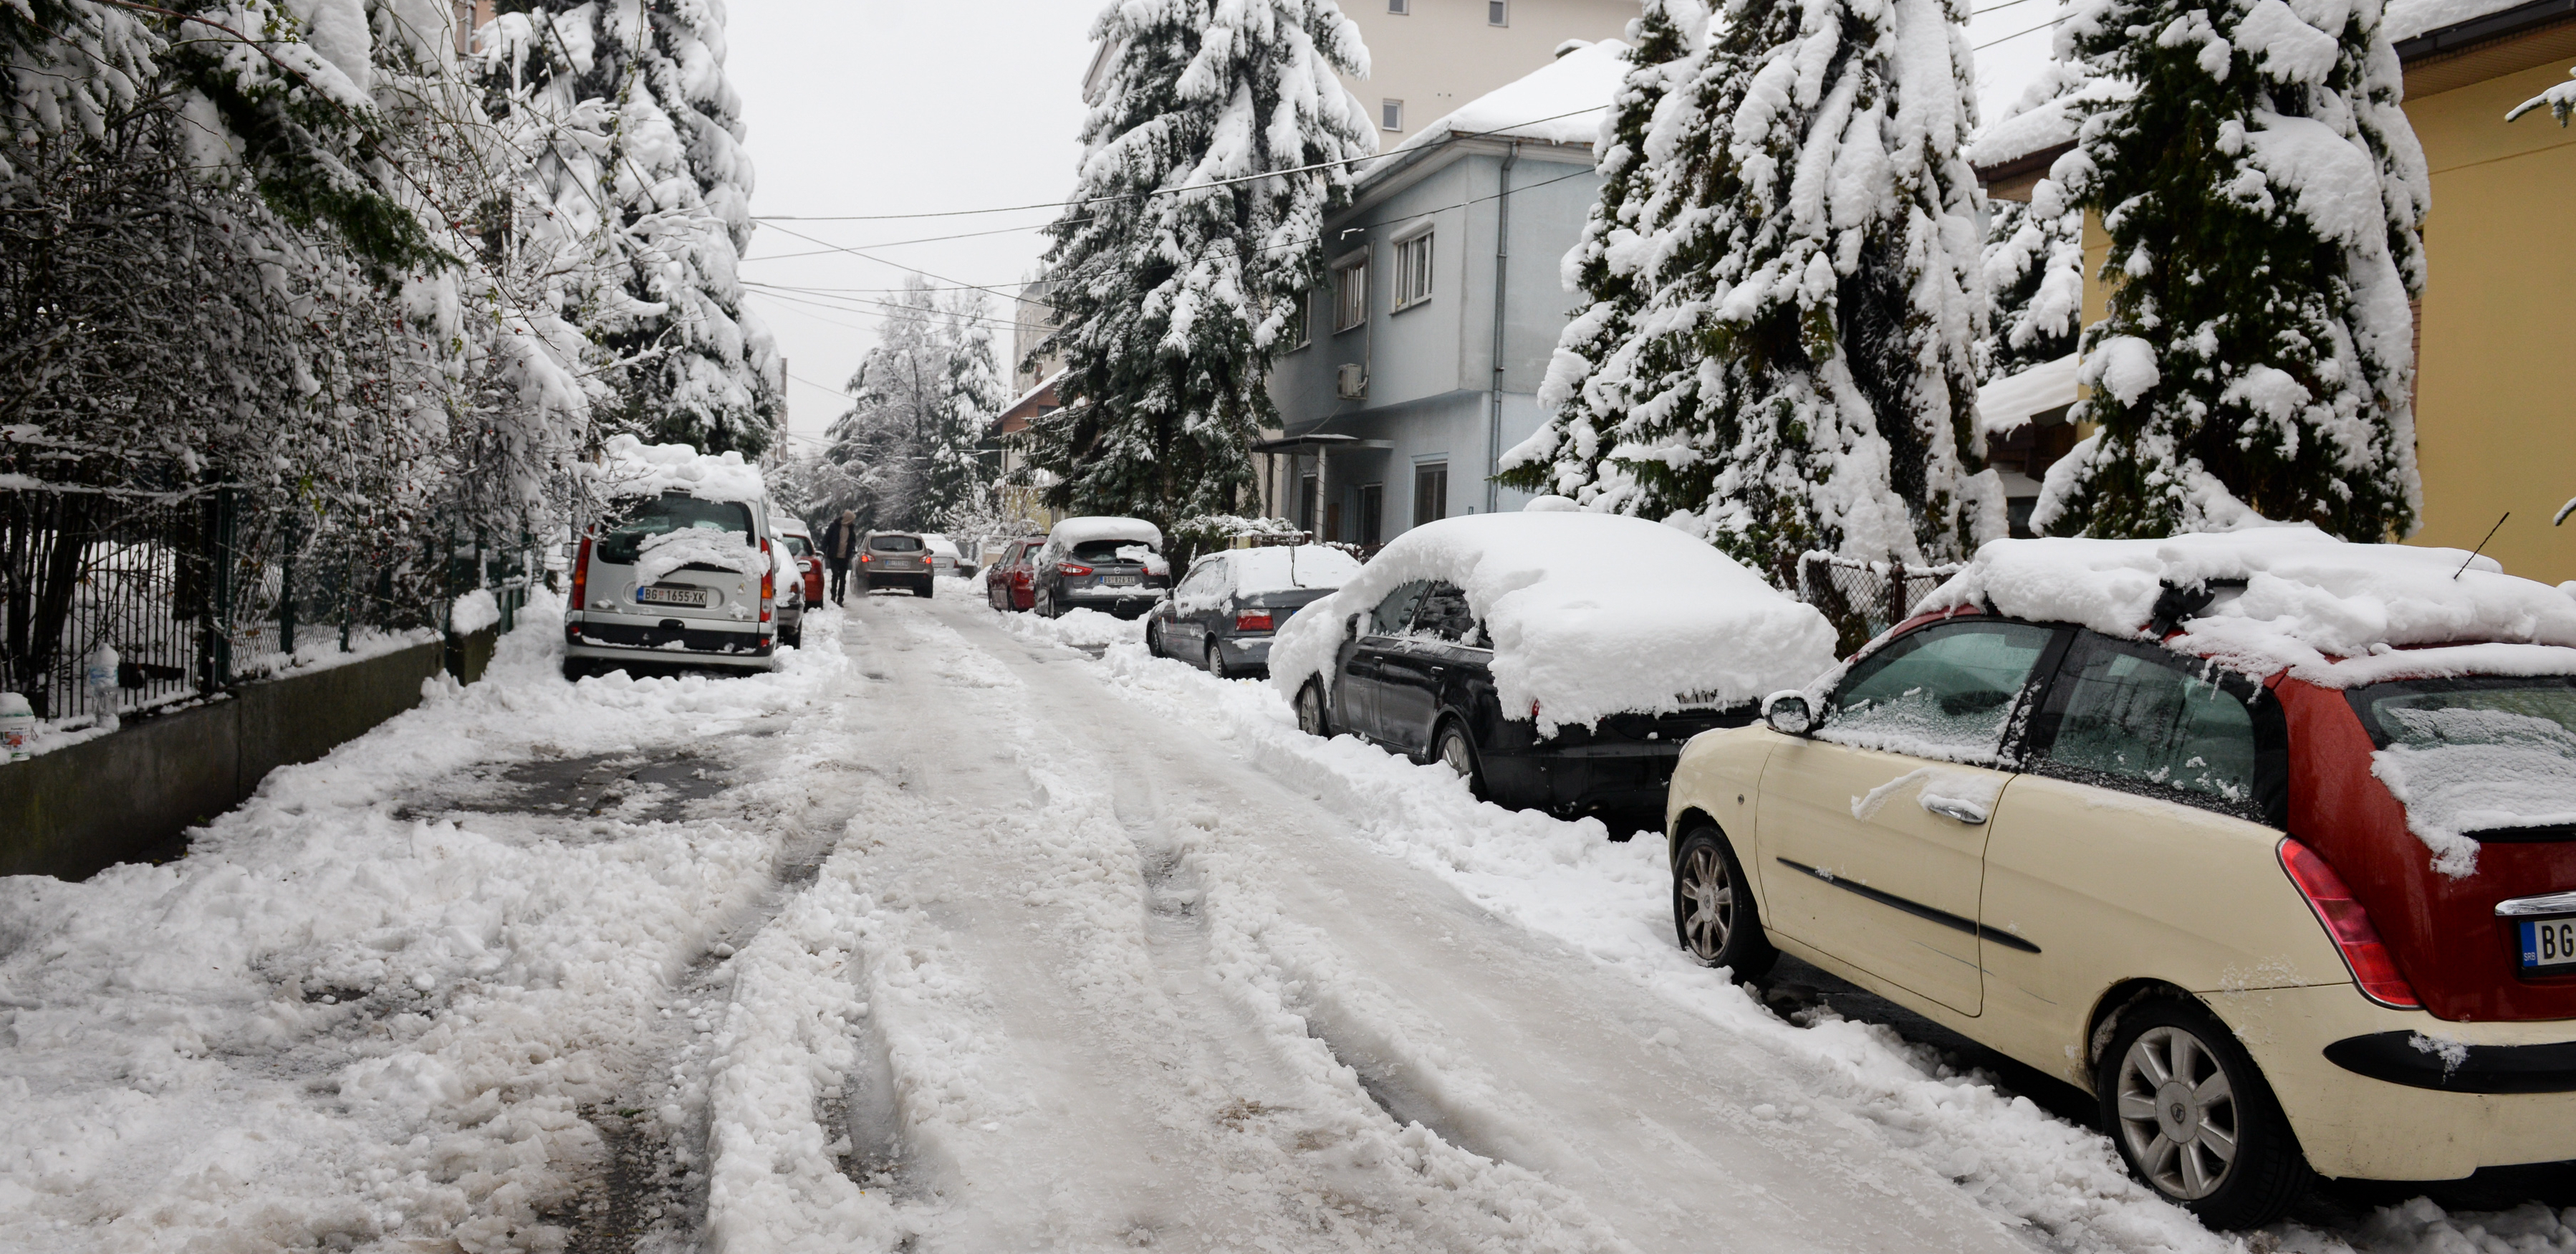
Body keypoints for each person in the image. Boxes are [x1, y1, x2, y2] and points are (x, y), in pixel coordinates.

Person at [821, 510, 860, 604]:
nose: (852, 522)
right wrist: (823, 551)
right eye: (851, 520)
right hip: (834, 556)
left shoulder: (851, 529)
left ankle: (840, 599)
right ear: (847, 519)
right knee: (835, 576)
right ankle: (833, 595)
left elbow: (853, 540)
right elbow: (826, 539)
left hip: (845, 557)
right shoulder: (834, 527)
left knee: (843, 579)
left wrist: (852, 548)